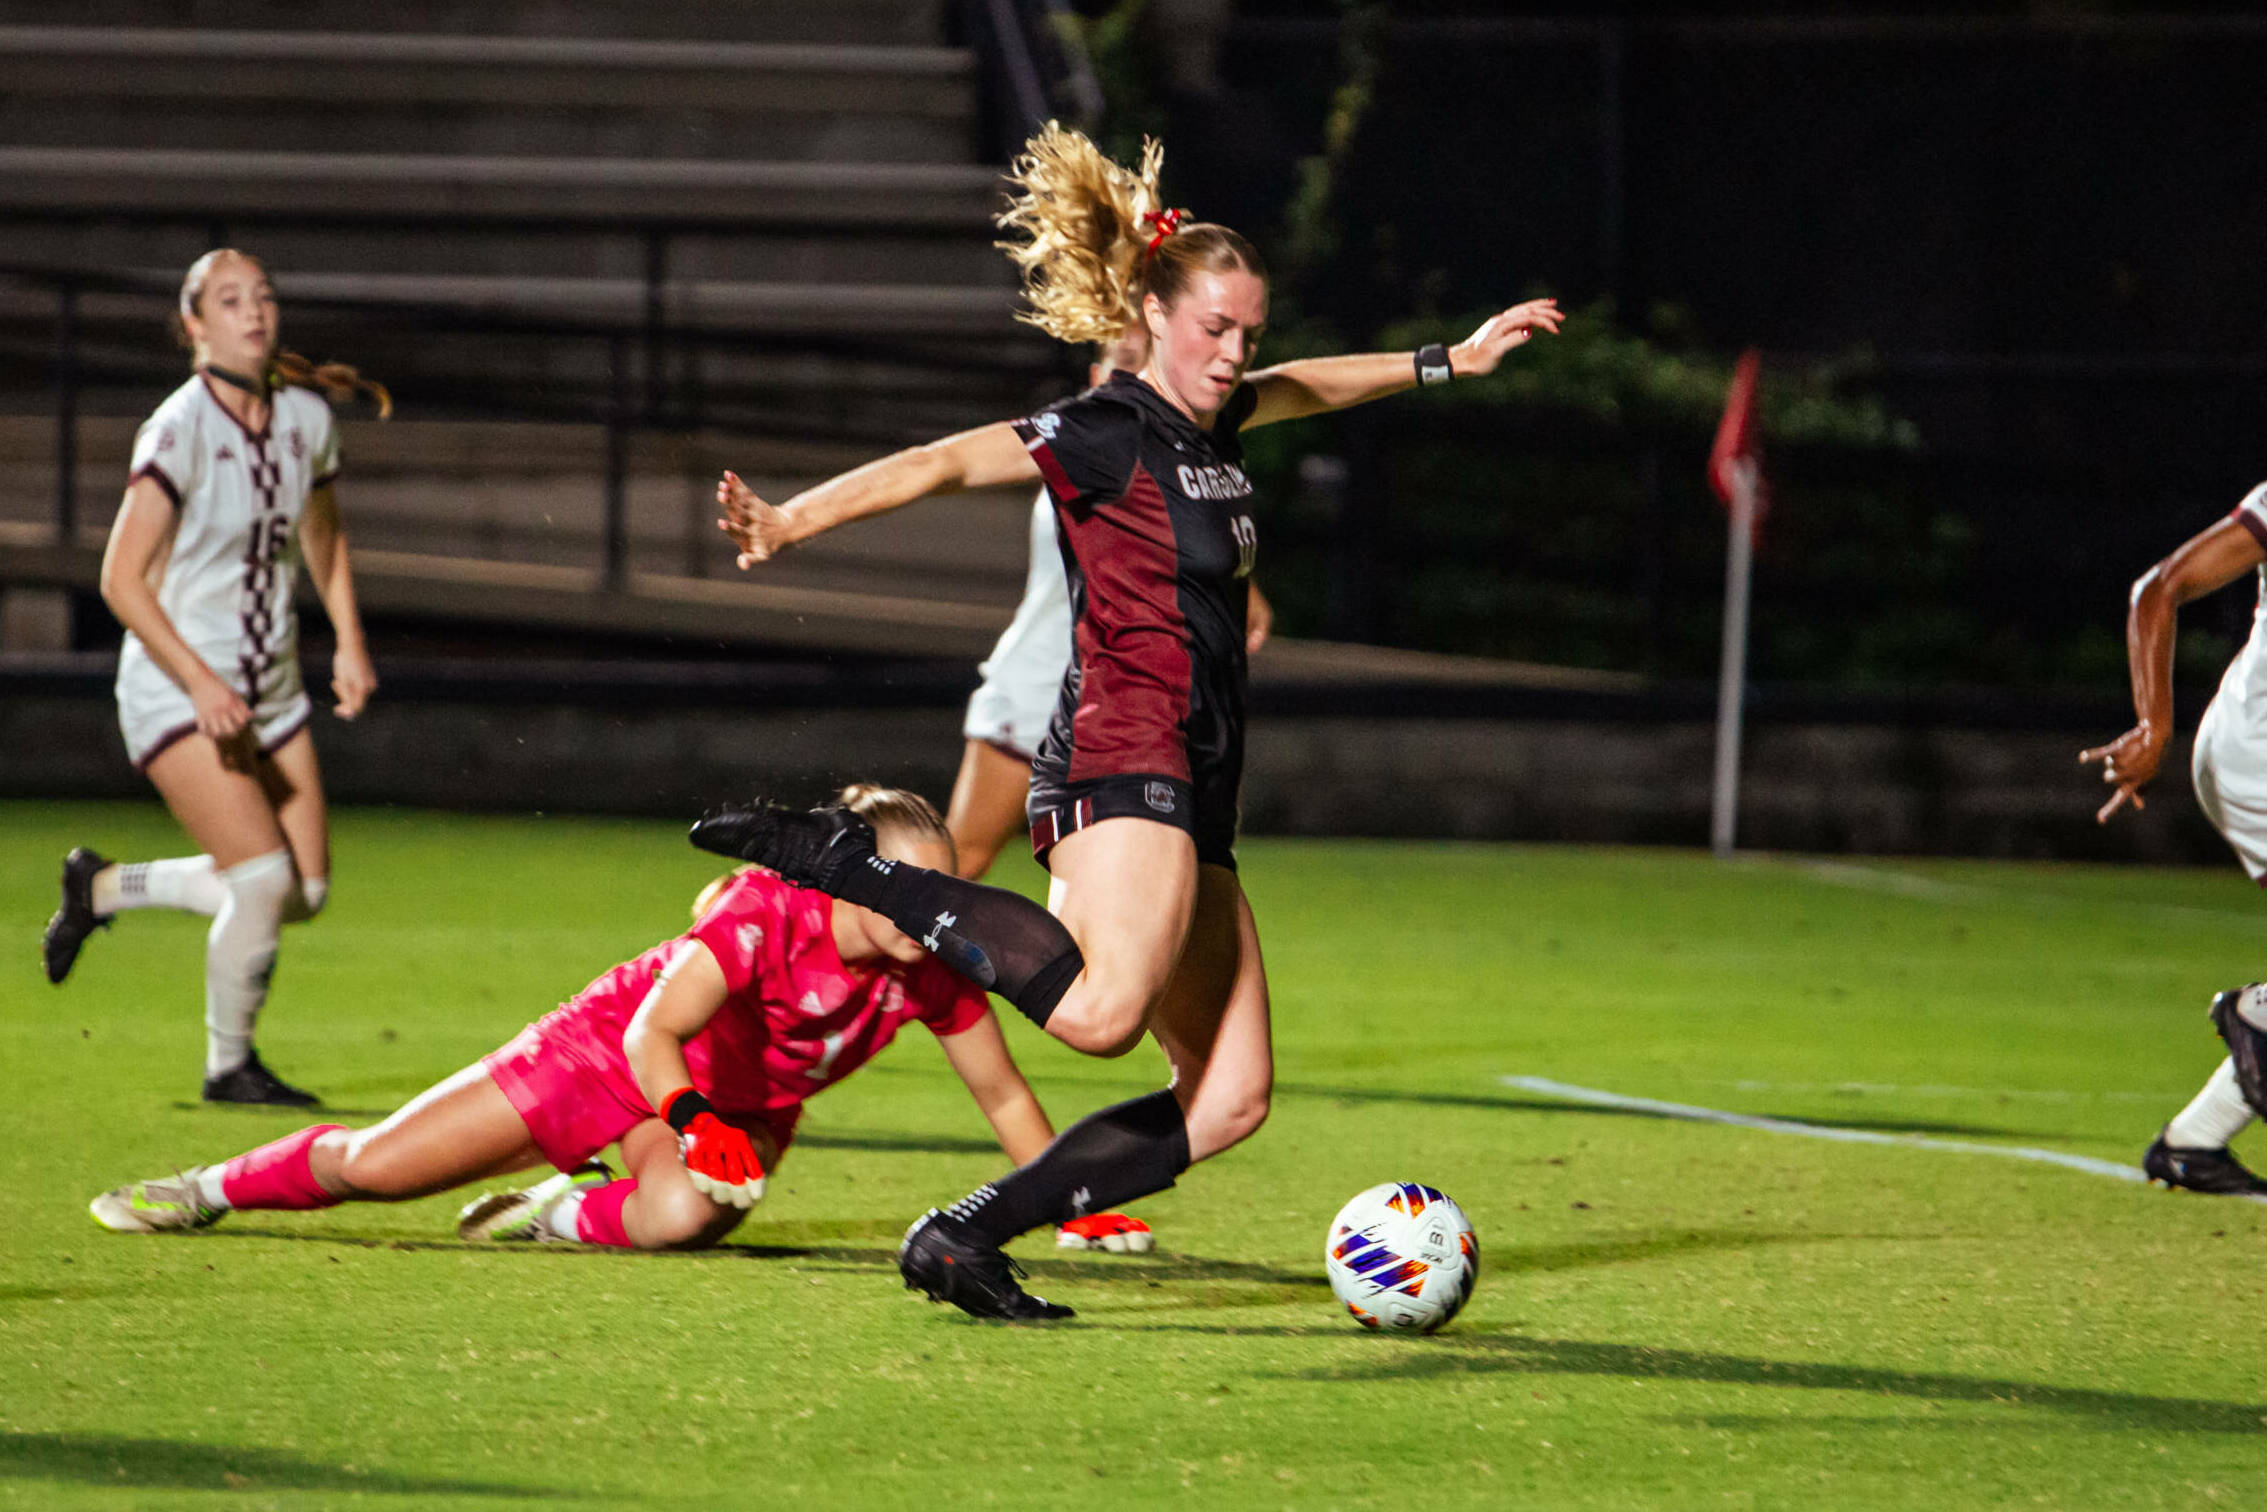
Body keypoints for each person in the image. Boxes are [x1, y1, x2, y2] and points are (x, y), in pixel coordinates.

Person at [698, 123, 1564, 1318]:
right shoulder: (1104, 426)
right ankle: (851, 867)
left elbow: (1302, 388)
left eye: (1248, 331)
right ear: (1154, 313)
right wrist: (793, 521)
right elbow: (945, 464)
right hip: (1121, 748)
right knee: (1102, 1016)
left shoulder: (1212, 423)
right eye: (1214, 328)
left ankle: (964, 1240)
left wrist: (1446, 363)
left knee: (1230, 1099)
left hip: (1199, 780)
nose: (1233, 352)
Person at [87, 786, 1094, 1255]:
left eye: (944, 886)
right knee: (379, 1169)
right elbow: (651, 1033)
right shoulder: (765, 912)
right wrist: (700, 1123)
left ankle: (556, 1213)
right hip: (612, 1055)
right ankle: (207, 1187)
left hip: (713, 1114)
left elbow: (1001, 1093)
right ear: (851, 872)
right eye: (911, 885)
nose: (936, 906)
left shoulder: (932, 966)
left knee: (687, 1218)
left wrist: (1071, 1202)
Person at [42, 248, 389, 1107]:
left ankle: (101, 888)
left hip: (268, 687)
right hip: (177, 686)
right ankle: (227, 1066)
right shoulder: (178, 427)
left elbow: (325, 537)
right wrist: (198, 683)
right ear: (195, 327)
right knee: (262, 882)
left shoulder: (305, 416)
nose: (254, 312)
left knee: (301, 890)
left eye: (262, 296)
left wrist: (348, 640)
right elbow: (120, 579)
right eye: (230, 301)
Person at [947, 319, 1274, 884]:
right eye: (1122, 363)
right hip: (1036, 693)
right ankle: (852, 957)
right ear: (1098, 379)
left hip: (1121, 709)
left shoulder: (1161, 464)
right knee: (957, 866)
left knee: (1168, 878)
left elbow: (1176, 547)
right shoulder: (1087, 461)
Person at [2082, 468, 2267, 1196]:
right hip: (2264, 758)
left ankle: (2192, 1142)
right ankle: (2254, 1015)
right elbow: (2157, 589)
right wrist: (2152, 724)